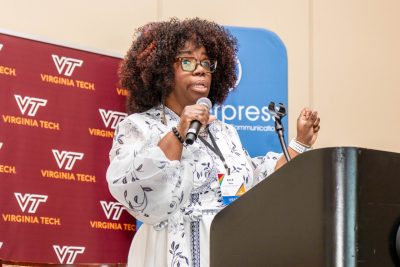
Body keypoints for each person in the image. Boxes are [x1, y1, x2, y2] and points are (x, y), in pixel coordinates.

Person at [106, 18, 320, 267]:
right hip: (172, 253)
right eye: (188, 61)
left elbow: (259, 183)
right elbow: (134, 189)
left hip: (230, 250)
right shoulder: (139, 126)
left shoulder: (224, 131)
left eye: (206, 62)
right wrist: (179, 132)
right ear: (163, 71)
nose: (200, 69)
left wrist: (300, 143)